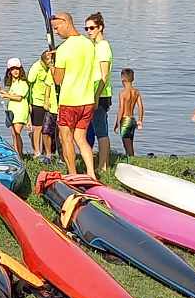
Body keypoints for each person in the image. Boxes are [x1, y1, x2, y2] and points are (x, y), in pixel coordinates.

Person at [49, 11, 99, 176]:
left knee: (66, 138)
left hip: (70, 101)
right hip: (87, 100)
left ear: (65, 22)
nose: (56, 32)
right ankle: (91, 173)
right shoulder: (89, 44)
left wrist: (51, 65)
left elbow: (57, 79)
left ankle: (72, 174)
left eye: (57, 28)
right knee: (81, 138)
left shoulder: (64, 49)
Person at [86, 13, 116, 170]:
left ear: (100, 28)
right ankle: (96, 161)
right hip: (92, 93)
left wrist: (97, 96)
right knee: (92, 128)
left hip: (101, 94)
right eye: (87, 28)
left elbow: (104, 76)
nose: (89, 31)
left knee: (101, 130)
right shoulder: (95, 46)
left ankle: (103, 165)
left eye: (92, 28)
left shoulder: (103, 46)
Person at [0, 59, 31, 158]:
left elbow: (19, 97)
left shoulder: (23, 83)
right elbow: (11, 95)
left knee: (17, 133)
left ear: (21, 70)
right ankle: (18, 153)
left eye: (17, 69)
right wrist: (1, 92)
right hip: (12, 110)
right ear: (9, 71)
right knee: (14, 134)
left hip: (20, 110)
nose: (15, 71)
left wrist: (6, 96)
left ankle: (18, 155)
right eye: (12, 69)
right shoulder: (13, 83)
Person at [28, 47, 58, 161]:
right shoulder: (36, 67)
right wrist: (28, 103)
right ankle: (37, 152)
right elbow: (29, 82)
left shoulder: (52, 69)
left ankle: (48, 152)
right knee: (38, 128)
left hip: (49, 103)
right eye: (48, 60)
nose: (50, 61)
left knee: (48, 129)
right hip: (37, 101)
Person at [116, 68, 144, 157]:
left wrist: (117, 123)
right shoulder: (136, 92)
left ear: (122, 78)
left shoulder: (122, 93)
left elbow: (121, 109)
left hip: (125, 120)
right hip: (132, 120)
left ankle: (131, 162)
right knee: (130, 143)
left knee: (127, 145)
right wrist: (140, 120)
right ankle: (131, 160)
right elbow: (141, 107)